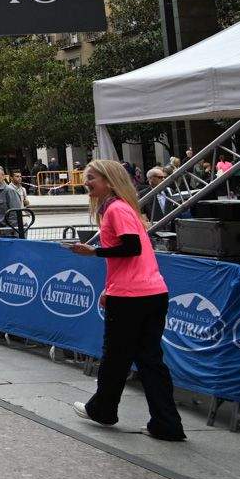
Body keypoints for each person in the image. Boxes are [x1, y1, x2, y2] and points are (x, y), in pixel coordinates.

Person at [67, 160, 186, 442]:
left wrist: (93, 252)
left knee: (116, 357)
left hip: (131, 297)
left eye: (91, 178)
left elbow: (130, 248)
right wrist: (110, 286)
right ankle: (166, 423)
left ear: (109, 180)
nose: (87, 183)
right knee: (149, 360)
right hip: (151, 292)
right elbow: (138, 254)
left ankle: (104, 409)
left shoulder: (116, 209)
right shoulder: (126, 209)